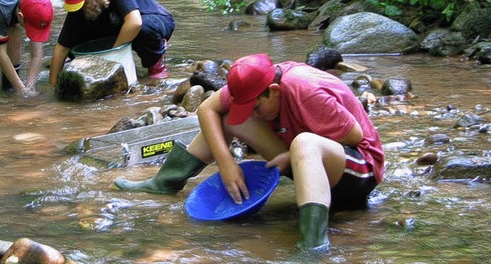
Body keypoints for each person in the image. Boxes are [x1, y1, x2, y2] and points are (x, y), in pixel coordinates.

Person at [114, 54, 385, 252]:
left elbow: (354, 136)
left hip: (357, 169)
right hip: (308, 162)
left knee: (304, 142)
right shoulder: (250, 85)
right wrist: (227, 163)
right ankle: (166, 182)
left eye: (256, 108)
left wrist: (291, 154)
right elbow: (208, 109)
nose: (254, 115)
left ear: (274, 91)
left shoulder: (306, 89)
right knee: (228, 118)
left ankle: (313, 244)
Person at [49, 0, 176, 84]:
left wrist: (111, 59)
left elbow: (134, 22)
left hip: (154, 21)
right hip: (117, 27)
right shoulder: (79, 4)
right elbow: (62, 48)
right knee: (74, 46)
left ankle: (156, 64)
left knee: (144, 29)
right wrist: (53, 85)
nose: (80, 6)